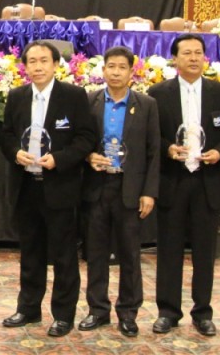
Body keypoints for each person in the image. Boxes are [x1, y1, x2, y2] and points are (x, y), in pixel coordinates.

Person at [2, 40, 94, 337]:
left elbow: (86, 138)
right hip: (26, 185)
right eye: (32, 61)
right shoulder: (16, 96)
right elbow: (6, 135)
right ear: (25, 66)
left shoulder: (73, 96)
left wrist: (60, 159)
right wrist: (15, 152)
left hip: (59, 186)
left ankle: (63, 314)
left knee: (64, 255)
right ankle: (28, 308)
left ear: (56, 64)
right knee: (30, 252)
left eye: (44, 61)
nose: (38, 66)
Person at [78, 46, 160, 337]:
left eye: (122, 67)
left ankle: (128, 312)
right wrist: (88, 156)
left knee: (130, 254)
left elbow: (153, 151)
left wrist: (149, 192)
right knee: (96, 253)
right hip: (96, 187)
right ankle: (97, 309)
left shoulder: (146, 104)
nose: (115, 72)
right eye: (110, 66)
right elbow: (79, 141)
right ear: (103, 70)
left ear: (131, 72)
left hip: (130, 189)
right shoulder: (89, 101)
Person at [148, 34, 220, 337]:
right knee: (169, 249)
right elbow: (150, 135)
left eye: (198, 53)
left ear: (205, 57)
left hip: (207, 181)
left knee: (205, 251)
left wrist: (219, 152)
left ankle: (202, 313)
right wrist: (167, 148)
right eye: (187, 53)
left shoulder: (218, 91)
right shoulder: (157, 93)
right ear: (174, 58)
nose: (193, 58)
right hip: (173, 180)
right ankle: (168, 311)